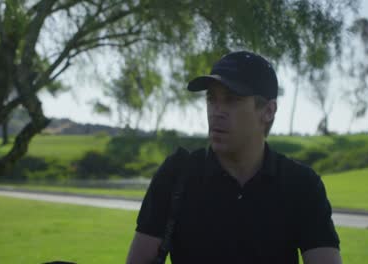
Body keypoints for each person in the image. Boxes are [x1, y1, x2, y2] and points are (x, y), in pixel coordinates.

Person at [126, 51, 342, 264]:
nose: (217, 111)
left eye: (232, 100)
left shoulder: (301, 184)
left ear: (268, 111)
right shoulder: (177, 174)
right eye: (212, 99)